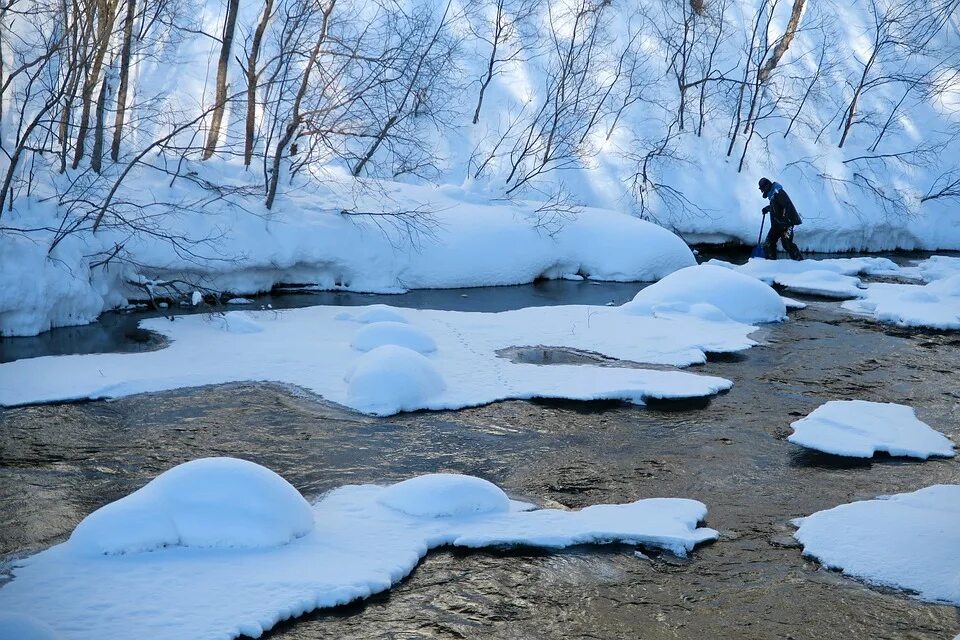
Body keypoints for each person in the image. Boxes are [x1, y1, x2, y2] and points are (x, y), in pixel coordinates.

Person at [758, 177, 803, 260]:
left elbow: (787, 206)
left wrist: (784, 220)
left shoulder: (778, 192)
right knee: (769, 243)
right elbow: (777, 207)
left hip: (786, 224)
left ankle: (799, 262)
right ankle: (771, 263)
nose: (762, 191)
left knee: (787, 244)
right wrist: (767, 208)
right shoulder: (772, 194)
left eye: (762, 189)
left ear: (766, 186)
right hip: (778, 224)